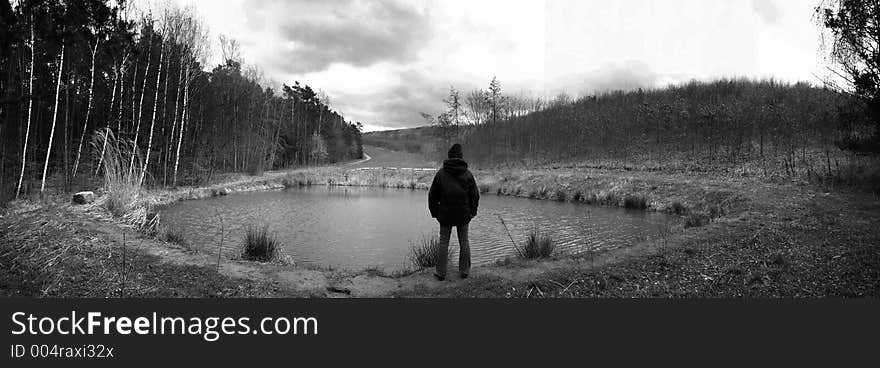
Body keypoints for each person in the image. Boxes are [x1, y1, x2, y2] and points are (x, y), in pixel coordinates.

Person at [428, 143, 479, 281]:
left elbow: (432, 195)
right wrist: (472, 212)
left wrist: (435, 213)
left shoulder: (441, 174)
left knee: (443, 242)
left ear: (449, 157)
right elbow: (475, 196)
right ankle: (464, 271)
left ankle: (441, 273)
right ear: (461, 157)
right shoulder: (468, 174)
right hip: (463, 214)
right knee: (464, 241)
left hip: (445, 214)